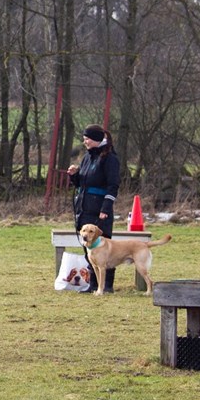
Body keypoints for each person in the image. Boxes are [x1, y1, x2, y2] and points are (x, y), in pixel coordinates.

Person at [68, 124, 121, 293]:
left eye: (88, 139)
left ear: (98, 140)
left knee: (104, 249)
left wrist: (106, 207)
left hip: (100, 210)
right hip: (84, 208)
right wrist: (74, 176)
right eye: (84, 139)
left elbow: (113, 186)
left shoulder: (110, 159)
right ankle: (94, 285)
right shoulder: (87, 158)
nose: (85, 142)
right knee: (88, 248)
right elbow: (83, 183)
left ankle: (107, 286)